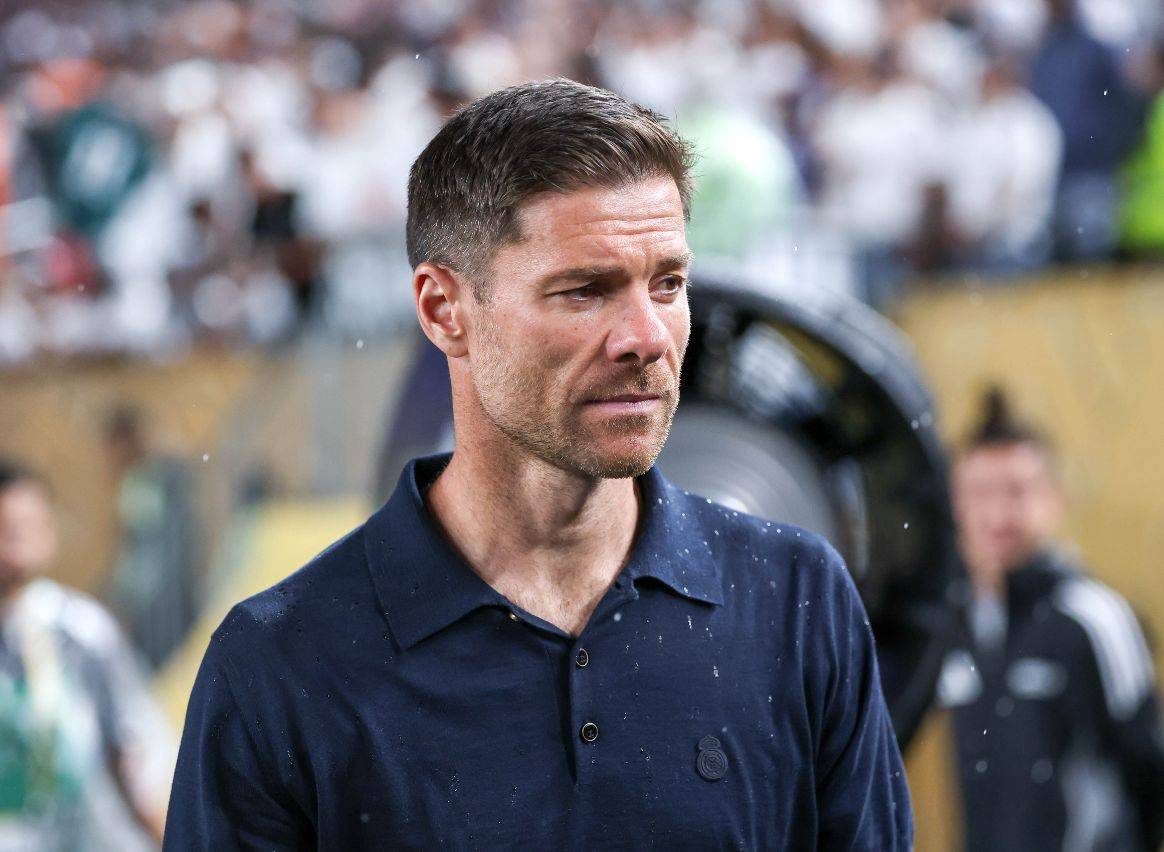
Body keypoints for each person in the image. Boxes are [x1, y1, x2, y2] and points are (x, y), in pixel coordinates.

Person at [165, 79, 912, 849]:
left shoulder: (796, 599)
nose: (646, 337)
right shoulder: (281, 665)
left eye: (668, 284)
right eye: (584, 291)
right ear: (444, 310)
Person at [939, 388, 1164, 851]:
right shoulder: (951, 623)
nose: (998, 514)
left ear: (1053, 498)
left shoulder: (1094, 619)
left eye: (1016, 491)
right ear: (956, 504)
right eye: (980, 493)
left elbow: (1148, 773)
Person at [0, 461, 175, 850]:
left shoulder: (80, 632)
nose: (19, 542)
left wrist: (165, 837)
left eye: (32, 525)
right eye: (8, 529)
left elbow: (132, 748)